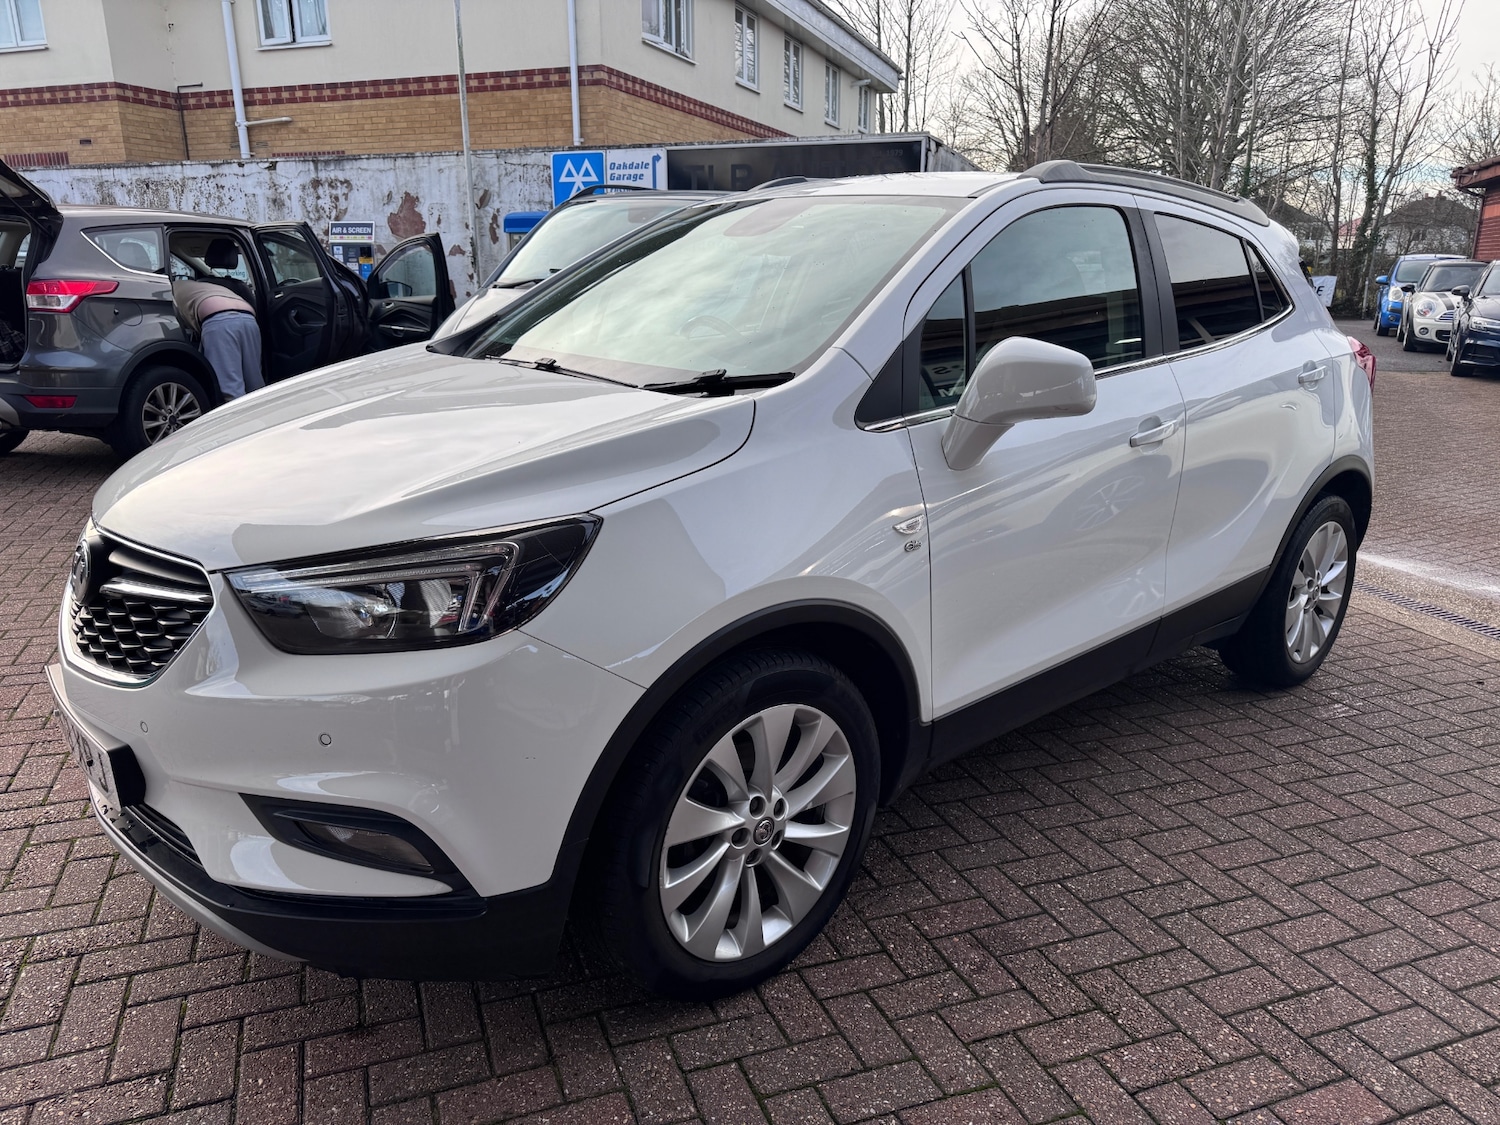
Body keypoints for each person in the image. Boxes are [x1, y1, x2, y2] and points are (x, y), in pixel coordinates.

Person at [171, 277, 264, 399]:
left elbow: (176, 323)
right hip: (249, 318)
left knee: (230, 389)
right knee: (255, 382)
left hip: (218, 320)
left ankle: (237, 417)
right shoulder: (199, 285)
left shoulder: (168, 291)